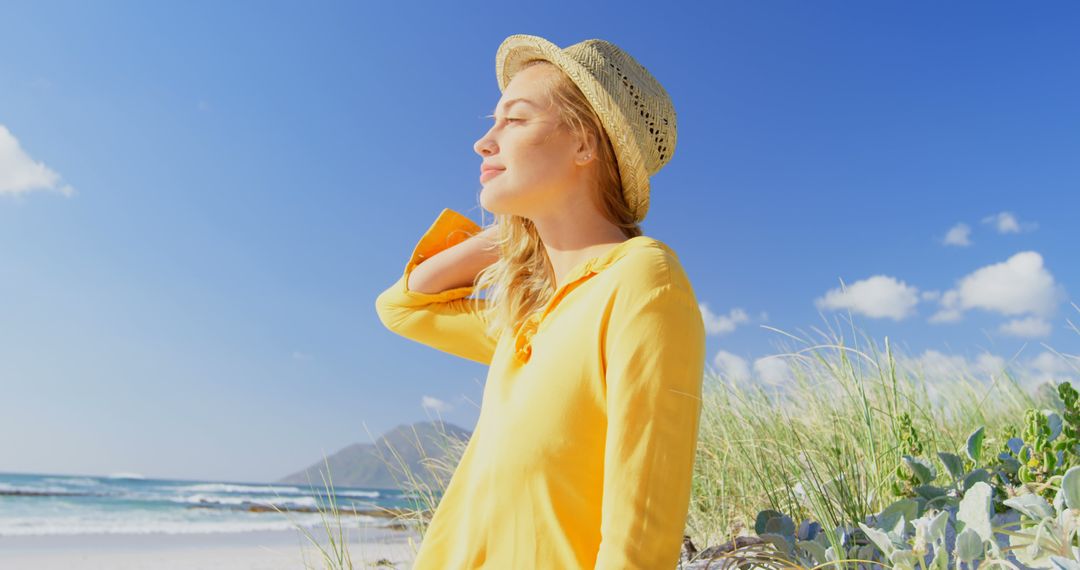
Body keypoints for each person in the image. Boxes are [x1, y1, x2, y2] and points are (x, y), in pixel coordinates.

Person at [375, 33, 706, 570]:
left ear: (584, 144)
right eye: (493, 120)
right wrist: (521, 229)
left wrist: (530, 218)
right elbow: (403, 307)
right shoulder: (527, 316)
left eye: (516, 119)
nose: (484, 142)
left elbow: (639, 540)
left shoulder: (644, 281)